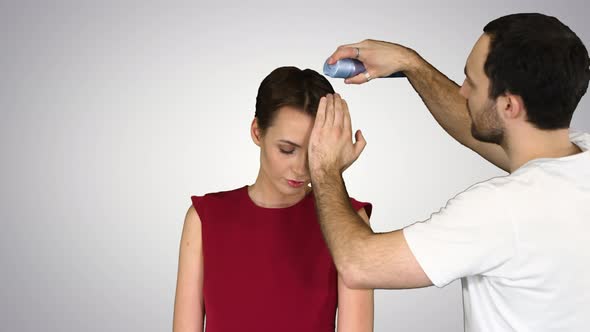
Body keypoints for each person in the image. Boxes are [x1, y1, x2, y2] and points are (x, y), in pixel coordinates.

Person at [307, 13, 590, 331]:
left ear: (509, 106)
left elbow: (358, 264)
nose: (463, 92)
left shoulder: (503, 210)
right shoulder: (578, 160)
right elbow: (477, 125)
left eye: (472, 82)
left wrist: (324, 167)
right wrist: (409, 63)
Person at [172, 66, 374, 332]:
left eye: (315, 152)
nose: (301, 169)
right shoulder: (205, 218)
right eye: (287, 149)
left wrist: (331, 175)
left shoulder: (348, 221)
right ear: (257, 132)